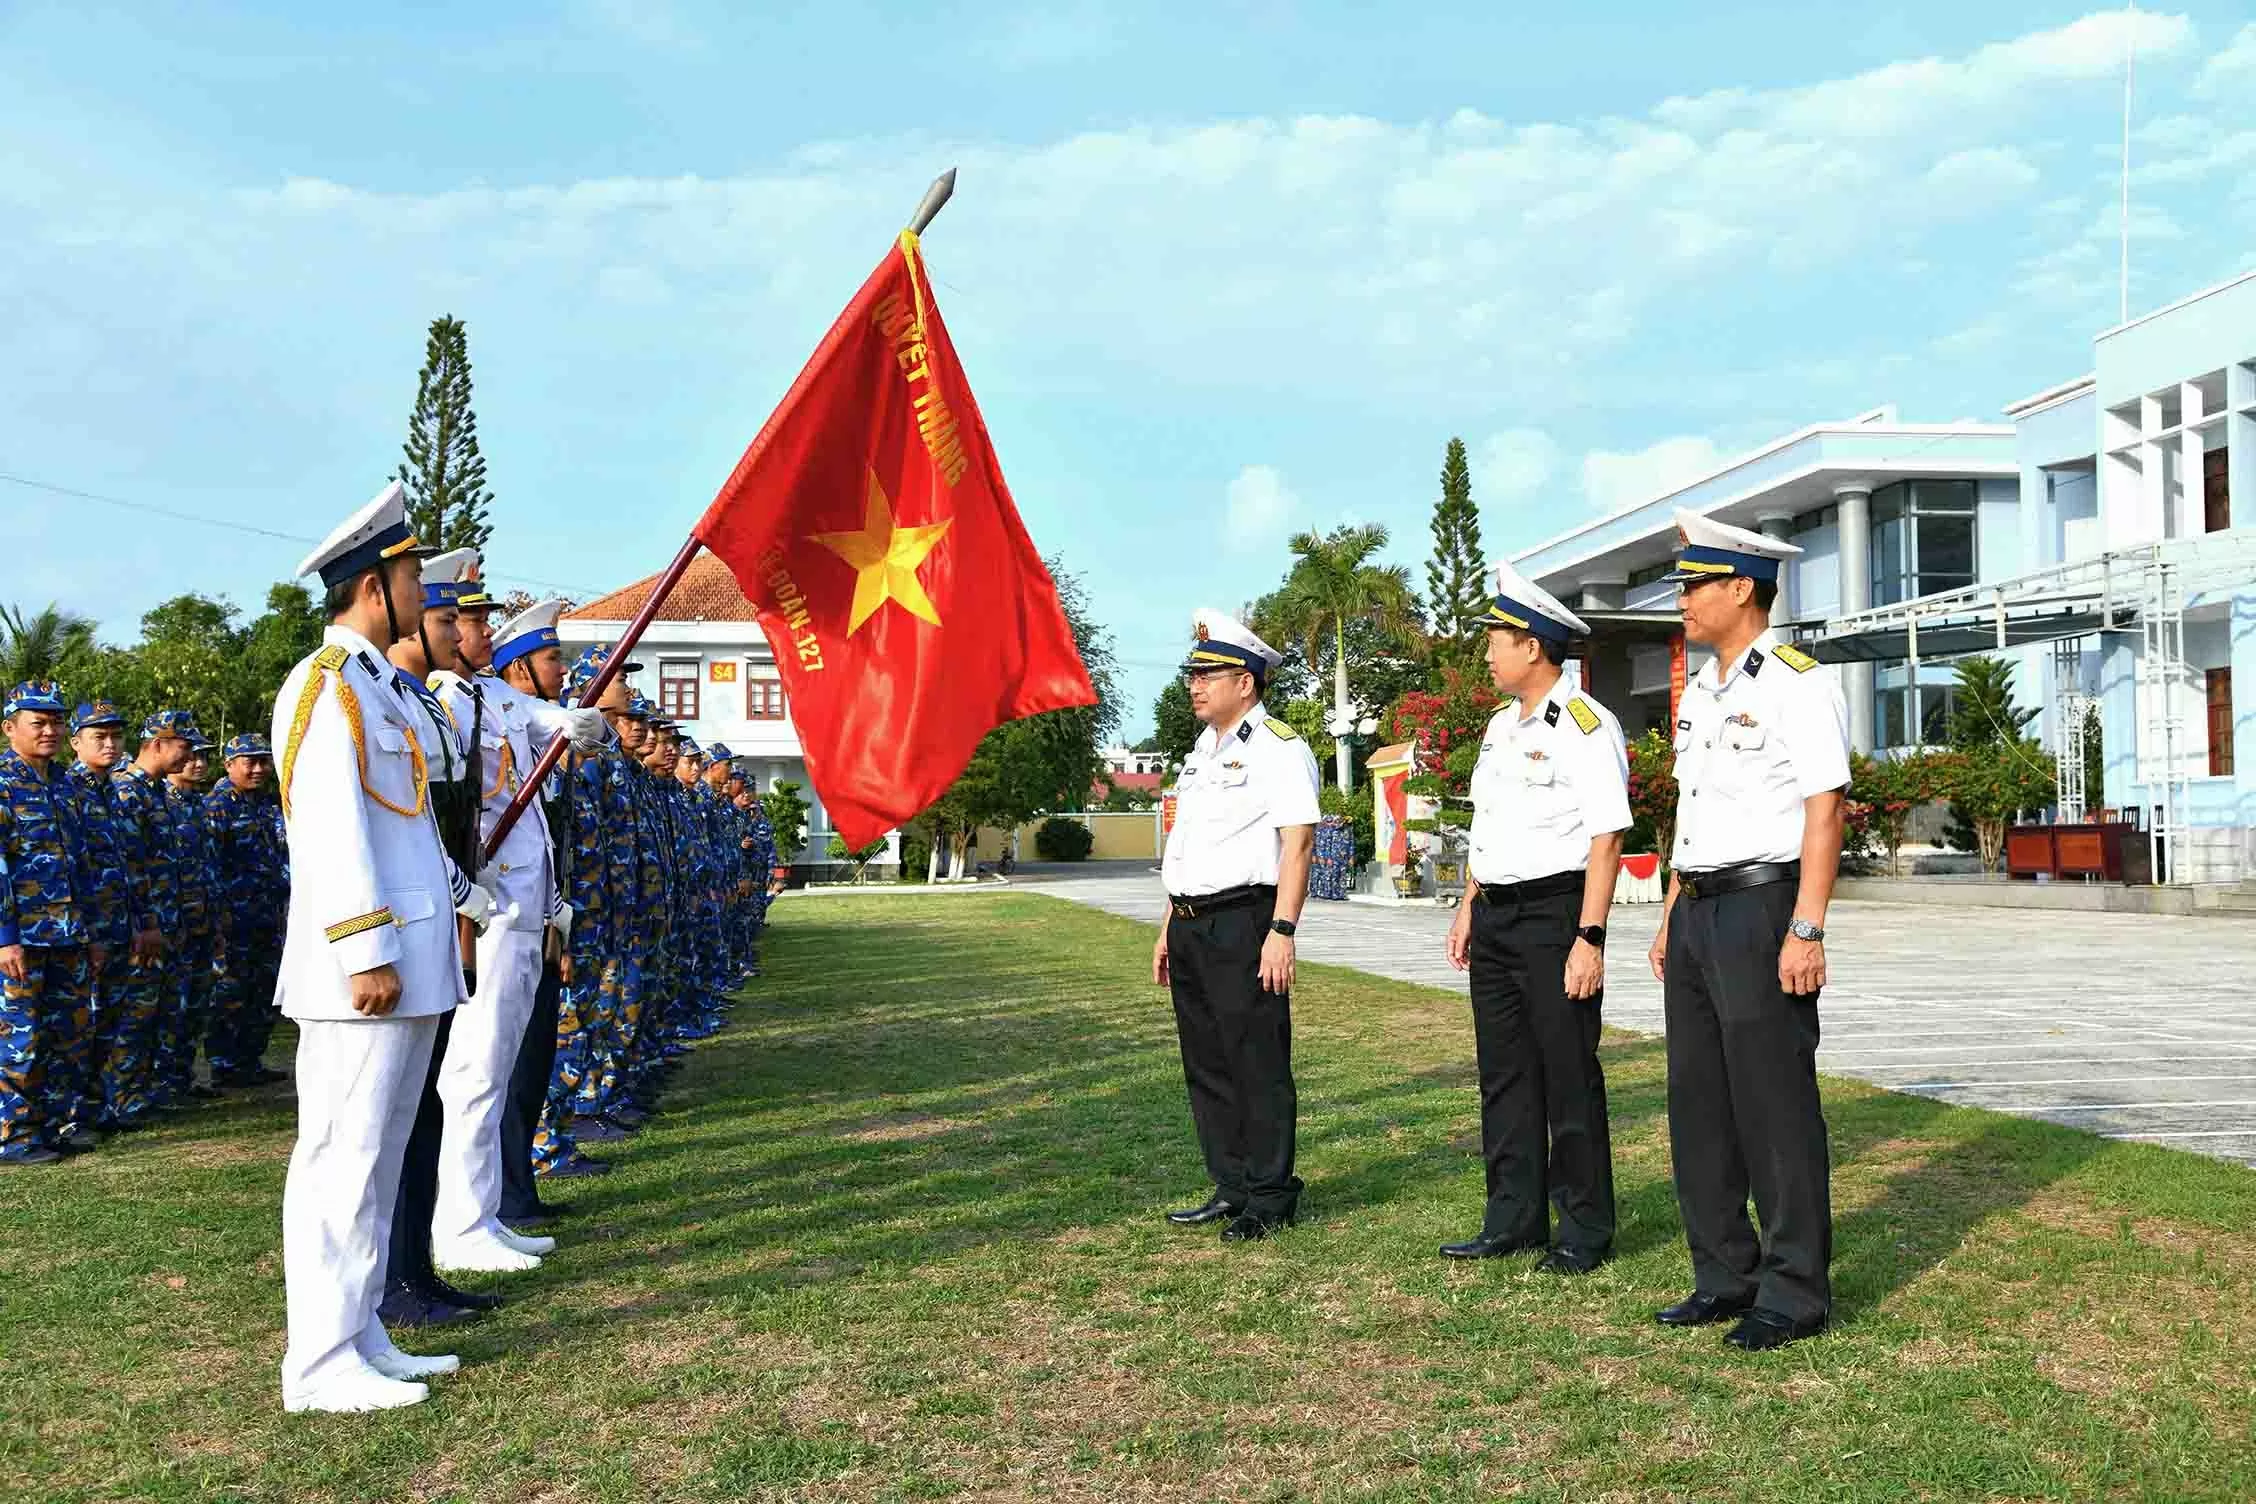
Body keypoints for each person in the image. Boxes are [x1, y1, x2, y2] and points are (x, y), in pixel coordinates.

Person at [270, 480, 471, 1412]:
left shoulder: (384, 688)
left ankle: (360, 1333)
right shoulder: (325, 688)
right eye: (407, 574)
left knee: (377, 1162)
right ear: (369, 586)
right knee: (341, 1160)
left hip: (411, 959)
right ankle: (317, 1364)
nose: (421, 591)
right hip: (365, 974)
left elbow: (412, 828)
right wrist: (365, 953)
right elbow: (330, 830)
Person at [1646, 510, 1848, 1353]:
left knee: (1773, 1103)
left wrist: (1806, 926)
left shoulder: (1797, 682)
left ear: (1740, 588)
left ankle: (1794, 1290)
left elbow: (1825, 807)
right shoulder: (1701, 692)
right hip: (1696, 909)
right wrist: (1668, 916)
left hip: (1764, 908)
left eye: (1694, 586)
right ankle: (1723, 1274)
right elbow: (1693, 816)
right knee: (1699, 1102)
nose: (1682, 601)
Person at [1440, 563, 1630, 1274]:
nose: (1487, 652)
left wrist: (1590, 938)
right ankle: (1510, 1217)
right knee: (1505, 1075)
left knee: (1567, 1074)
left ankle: (1583, 1229)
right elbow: (1491, 828)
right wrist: (1467, 905)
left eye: (1496, 638)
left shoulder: (1586, 726)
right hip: (1496, 916)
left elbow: (1607, 838)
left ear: (1534, 647)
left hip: (1557, 915)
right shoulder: (1498, 728)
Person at [431, 593, 607, 1268]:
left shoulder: (497, 702)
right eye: (468, 621)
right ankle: (461, 1224)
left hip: (526, 909)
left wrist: (574, 721)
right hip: (491, 908)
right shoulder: (446, 702)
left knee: (497, 1065)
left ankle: (484, 1213)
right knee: (476, 1068)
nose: (470, 631)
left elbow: (554, 721)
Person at [377, 546, 519, 1326]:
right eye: (450, 618)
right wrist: (464, 897)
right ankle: (396, 1282)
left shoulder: (422, 702)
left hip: (445, 920)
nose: (467, 635)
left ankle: (418, 1270)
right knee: (392, 1120)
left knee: (423, 1109)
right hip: (414, 929)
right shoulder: (379, 698)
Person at [1152, 608, 1320, 1241]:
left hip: (1247, 921)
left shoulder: (1279, 747)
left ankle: (1271, 1195)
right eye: (1192, 674)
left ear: (1245, 682)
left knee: (1256, 1059)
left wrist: (1283, 930)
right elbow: (1190, 847)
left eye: (1208, 673)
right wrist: (1171, 922)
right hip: (1194, 922)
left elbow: (1298, 844)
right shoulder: (1202, 749)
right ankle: (1231, 1183)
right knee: (1208, 1061)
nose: (1194, 685)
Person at [0, 681, 105, 1165]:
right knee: (19, 1040)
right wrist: (5, 940)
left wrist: (92, 934)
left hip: (70, 934)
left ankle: (56, 1124)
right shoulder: (3, 782)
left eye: (57, 721)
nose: (50, 730)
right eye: (38, 722)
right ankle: (14, 1136)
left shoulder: (67, 784)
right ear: (9, 728)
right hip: (21, 938)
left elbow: (81, 863)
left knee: (71, 1033)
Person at [59, 701, 140, 1145]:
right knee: (78, 1023)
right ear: (77, 743)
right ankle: (69, 1114)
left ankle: (96, 1106)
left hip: (117, 925)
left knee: (109, 1019)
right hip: (83, 929)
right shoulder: (67, 789)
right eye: (99, 737)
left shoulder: (113, 791)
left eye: (115, 736)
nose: (110, 744)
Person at [110, 712, 190, 1112]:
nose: (188, 754)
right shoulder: (128, 791)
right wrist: (145, 923)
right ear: (158, 744)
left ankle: (146, 1090)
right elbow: (130, 866)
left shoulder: (157, 791)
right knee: (135, 1012)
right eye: (183, 745)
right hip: (145, 925)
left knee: (160, 1010)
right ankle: (123, 1097)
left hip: (167, 921)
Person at [203, 734, 289, 1087]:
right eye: (248, 762)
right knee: (231, 992)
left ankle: (250, 1059)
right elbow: (210, 863)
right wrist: (217, 914)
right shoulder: (217, 805)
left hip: (267, 913)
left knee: (264, 988)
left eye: (263, 761)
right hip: (233, 918)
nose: (257, 769)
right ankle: (224, 1064)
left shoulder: (268, 804)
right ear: (229, 764)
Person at [160, 730, 223, 1104]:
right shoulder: (157, 801)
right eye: (190, 754)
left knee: (194, 1005)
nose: (196, 763)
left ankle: (180, 1079)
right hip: (173, 922)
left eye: (202, 757)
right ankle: (162, 1085)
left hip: (201, 920)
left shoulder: (196, 804)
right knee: (170, 1007)